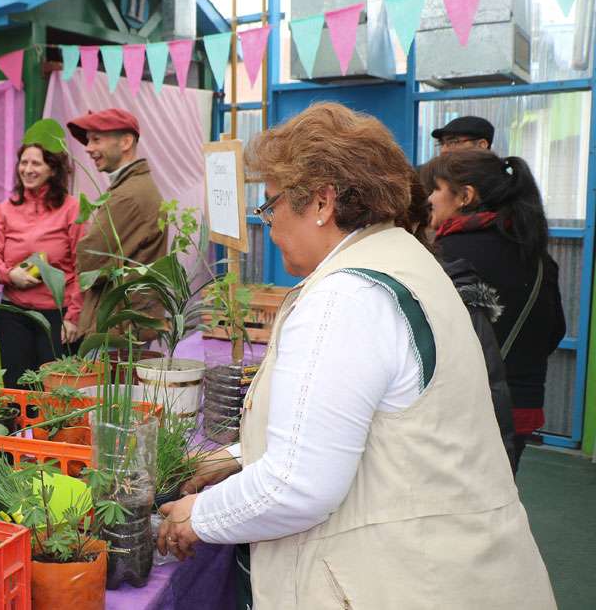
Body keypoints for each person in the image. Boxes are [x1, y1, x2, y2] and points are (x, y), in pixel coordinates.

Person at [156, 103, 554, 608]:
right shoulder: (403, 259)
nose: (269, 224)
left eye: (271, 204)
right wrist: (237, 458)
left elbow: (297, 486)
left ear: (322, 201)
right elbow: (365, 421)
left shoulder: (344, 298)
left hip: (402, 580)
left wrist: (199, 516)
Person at [421, 149, 566, 472]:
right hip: (522, 407)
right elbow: (554, 330)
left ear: (465, 196)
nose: (428, 198)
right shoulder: (538, 256)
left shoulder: (446, 256)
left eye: (435, 188)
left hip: (465, 409)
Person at [0, 143, 85, 387]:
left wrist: (73, 316)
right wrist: (9, 275)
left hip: (56, 317)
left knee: (55, 390)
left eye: (36, 163)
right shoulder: (6, 209)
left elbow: (83, 265)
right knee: (16, 387)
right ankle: (21, 428)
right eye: (24, 162)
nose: (27, 169)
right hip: (14, 315)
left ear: (52, 169)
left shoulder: (72, 208)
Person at [67, 108, 166, 337]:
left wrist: (82, 250)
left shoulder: (127, 195)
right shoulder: (130, 187)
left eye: (96, 139)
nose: (88, 148)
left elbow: (90, 263)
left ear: (126, 142)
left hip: (119, 328)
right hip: (124, 324)